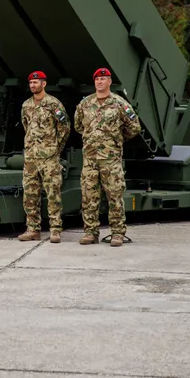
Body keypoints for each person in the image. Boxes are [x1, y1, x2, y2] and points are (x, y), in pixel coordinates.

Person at [73, 68, 142, 247]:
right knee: (89, 196)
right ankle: (90, 232)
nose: (100, 82)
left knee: (114, 196)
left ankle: (117, 233)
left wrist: (115, 139)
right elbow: (79, 126)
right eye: (97, 79)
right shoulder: (85, 104)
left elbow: (134, 127)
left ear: (110, 82)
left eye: (103, 79)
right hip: (90, 159)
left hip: (110, 159)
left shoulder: (120, 103)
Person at [17, 70, 71, 243]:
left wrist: (56, 148)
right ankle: (33, 229)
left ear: (44, 84)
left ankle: (55, 230)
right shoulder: (26, 105)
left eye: (36, 82)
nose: (33, 85)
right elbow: (26, 127)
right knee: (30, 194)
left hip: (49, 157)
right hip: (31, 157)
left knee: (53, 193)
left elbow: (64, 127)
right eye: (31, 83)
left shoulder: (53, 104)